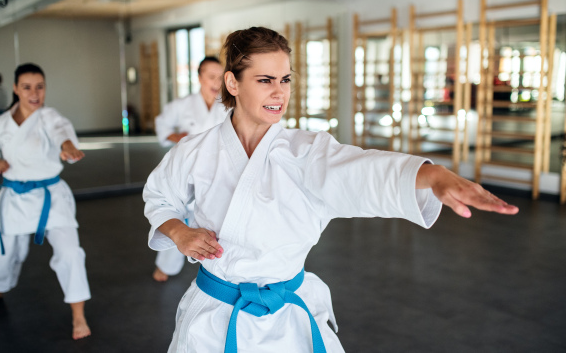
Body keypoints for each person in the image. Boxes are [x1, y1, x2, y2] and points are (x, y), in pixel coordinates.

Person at [143, 27, 518, 353]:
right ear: (232, 83)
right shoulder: (194, 150)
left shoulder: (306, 150)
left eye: (285, 79)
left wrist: (430, 176)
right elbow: (159, 197)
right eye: (265, 80)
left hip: (288, 317)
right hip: (215, 316)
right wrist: (179, 231)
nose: (279, 92)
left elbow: (359, 171)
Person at [0, 63, 92, 341]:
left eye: (40, 86)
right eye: (27, 87)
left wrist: (67, 148)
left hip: (51, 197)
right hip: (13, 197)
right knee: (4, 253)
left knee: (70, 253)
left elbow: (61, 133)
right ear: (16, 89)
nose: (34, 93)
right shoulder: (0, 123)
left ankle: (78, 314)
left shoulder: (50, 117)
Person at [152, 56, 227, 282]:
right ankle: (166, 266)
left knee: (216, 216)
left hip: (218, 169)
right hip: (187, 168)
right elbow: (162, 123)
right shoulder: (183, 105)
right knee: (180, 217)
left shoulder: (227, 104)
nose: (216, 83)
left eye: (220, 78)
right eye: (210, 77)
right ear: (199, 77)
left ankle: (219, 264)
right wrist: (177, 137)